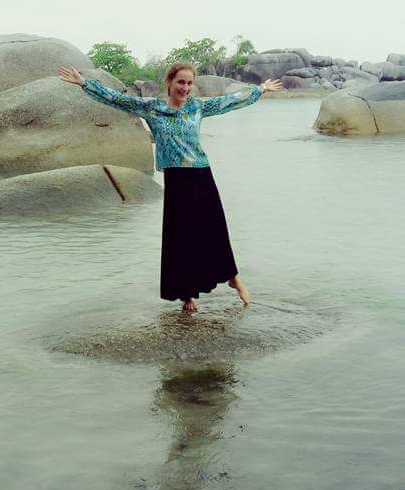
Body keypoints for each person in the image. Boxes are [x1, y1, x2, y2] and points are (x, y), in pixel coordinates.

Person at [59, 62, 282, 312]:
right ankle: (187, 294)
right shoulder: (153, 108)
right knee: (181, 236)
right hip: (176, 179)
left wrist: (261, 89)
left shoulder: (197, 107)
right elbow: (118, 100)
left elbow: (229, 101)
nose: (185, 88)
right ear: (170, 82)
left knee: (215, 229)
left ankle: (233, 277)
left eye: (189, 83)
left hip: (201, 173)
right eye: (181, 82)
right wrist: (84, 83)